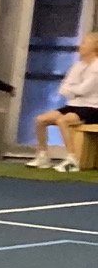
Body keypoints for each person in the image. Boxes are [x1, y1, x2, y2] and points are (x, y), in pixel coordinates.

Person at [32, 32, 98, 171]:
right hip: (74, 105)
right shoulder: (78, 66)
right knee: (41, 120)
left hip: (92, 108)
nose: (80, 46)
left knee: (63, 121)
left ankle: (72, 159)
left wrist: (73, 89)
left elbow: (84, 90)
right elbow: (63, 88)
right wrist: (74, 90)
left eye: (84, 43)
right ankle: (43, 156)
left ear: (94, 47)